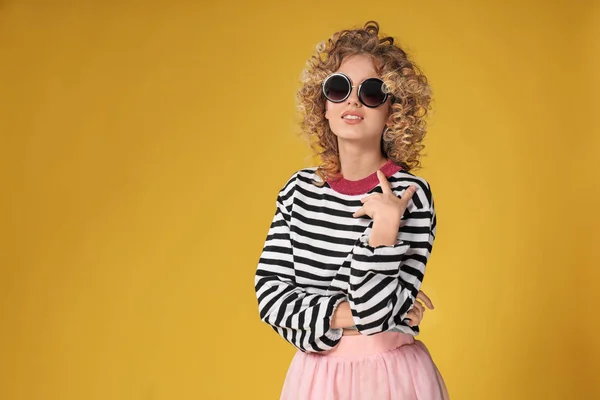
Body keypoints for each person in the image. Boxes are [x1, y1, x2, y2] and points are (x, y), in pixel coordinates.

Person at [254, 21, 449, 399]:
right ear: (322, 105)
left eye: (373, 92)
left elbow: (376, 312)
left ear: (394, 112)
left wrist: (385, 228)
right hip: (314, 379)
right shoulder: (299, 191)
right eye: (339, 89)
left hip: (391, 377)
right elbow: (271, 298)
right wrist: (351, 317)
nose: (353, 101)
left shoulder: (410, 195)